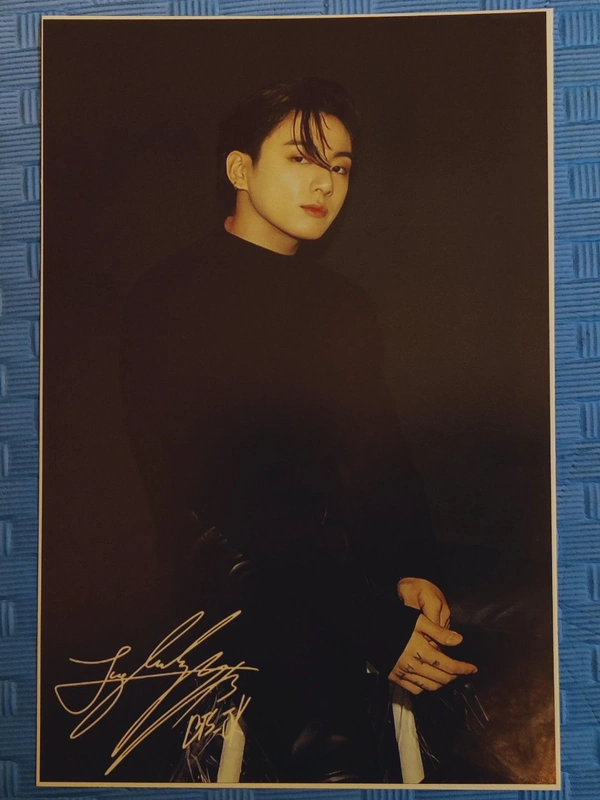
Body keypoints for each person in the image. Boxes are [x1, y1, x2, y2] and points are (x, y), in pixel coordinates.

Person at [120, 76, 477, 783]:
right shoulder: (175, 295)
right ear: (240, 169)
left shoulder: (344, 303)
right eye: (300, 158)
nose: (325, 183)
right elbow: (235, 496)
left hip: (335, 565)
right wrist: (371, 621)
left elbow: (383, 456)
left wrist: (412, 568)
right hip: (233, 575)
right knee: (328, 723)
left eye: (340, 166)